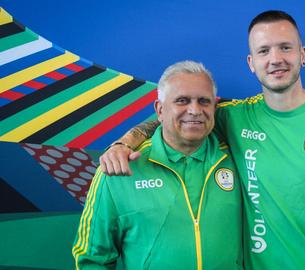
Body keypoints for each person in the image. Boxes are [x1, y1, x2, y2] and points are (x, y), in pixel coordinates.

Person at [100, 10, 305, 269]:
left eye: (285, 48)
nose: (276, 59)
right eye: (264, 51)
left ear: (302, 55)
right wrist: (125, 142)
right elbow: (176, 118)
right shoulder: (232, 117)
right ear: (251, 62)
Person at [72, 61, 242, 269]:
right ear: (160, 110)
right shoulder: (118, 169)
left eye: (204, 101)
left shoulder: (239, 161)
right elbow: (92, 259)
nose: (195, 110)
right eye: (182, 101)